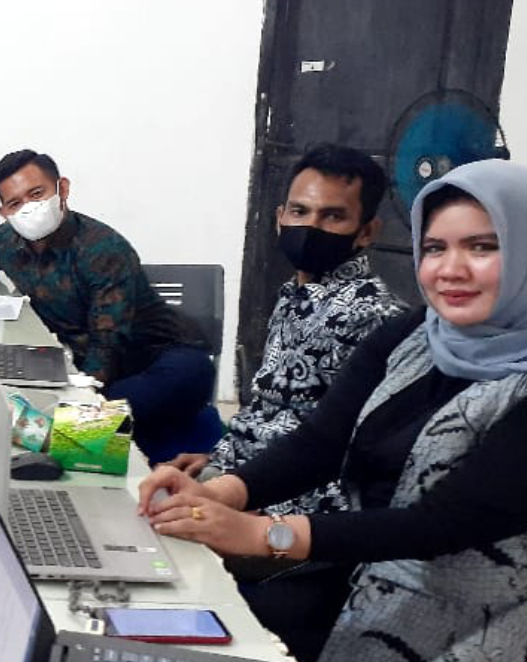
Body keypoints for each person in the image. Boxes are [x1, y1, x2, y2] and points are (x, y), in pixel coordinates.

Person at [138, 159, 527, 662]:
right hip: (351, 575)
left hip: (457, 644)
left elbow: (442, 525)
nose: (451, 269)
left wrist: (263, 534)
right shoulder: (418, 334)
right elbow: (323, 441)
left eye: (483, 247)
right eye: (435, 247)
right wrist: (224, 491)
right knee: (188, 651)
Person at [167, 144, 406, 519]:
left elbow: (342, 455)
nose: (311, 227)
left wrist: (240, 505)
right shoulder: (293, 295)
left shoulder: (373, 316)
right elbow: (269, 411)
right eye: (300, 211)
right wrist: (217, 461)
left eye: (333, 216)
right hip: (245, 480)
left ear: (366, 232)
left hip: (293, 511)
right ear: (280, 218)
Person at [0, 149, 215, 462]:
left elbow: (108, 343)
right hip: (81, 358)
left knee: (79, 420)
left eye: (37, 194)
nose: (28, 208)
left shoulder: (103, 249)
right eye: (15, 203)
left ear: (62, 188)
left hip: (156, 358)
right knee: (32, 406)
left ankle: (83, 438)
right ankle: (82, 430)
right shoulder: (8, 239)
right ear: (4, 211)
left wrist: (79, 396)